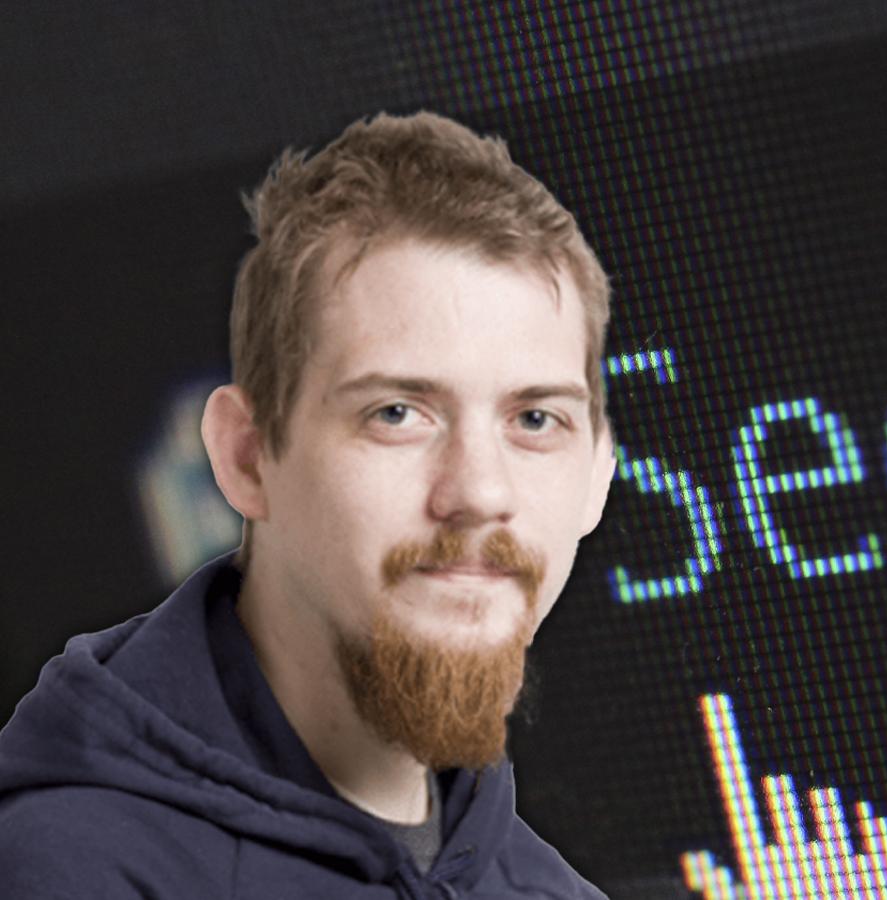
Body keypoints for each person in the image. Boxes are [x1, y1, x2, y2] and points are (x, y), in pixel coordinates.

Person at [0, 111, 617, 898]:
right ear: (246, 456)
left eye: (536, 420)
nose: (479, 493)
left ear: (599, 477)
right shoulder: (66, 871)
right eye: (396, 413)